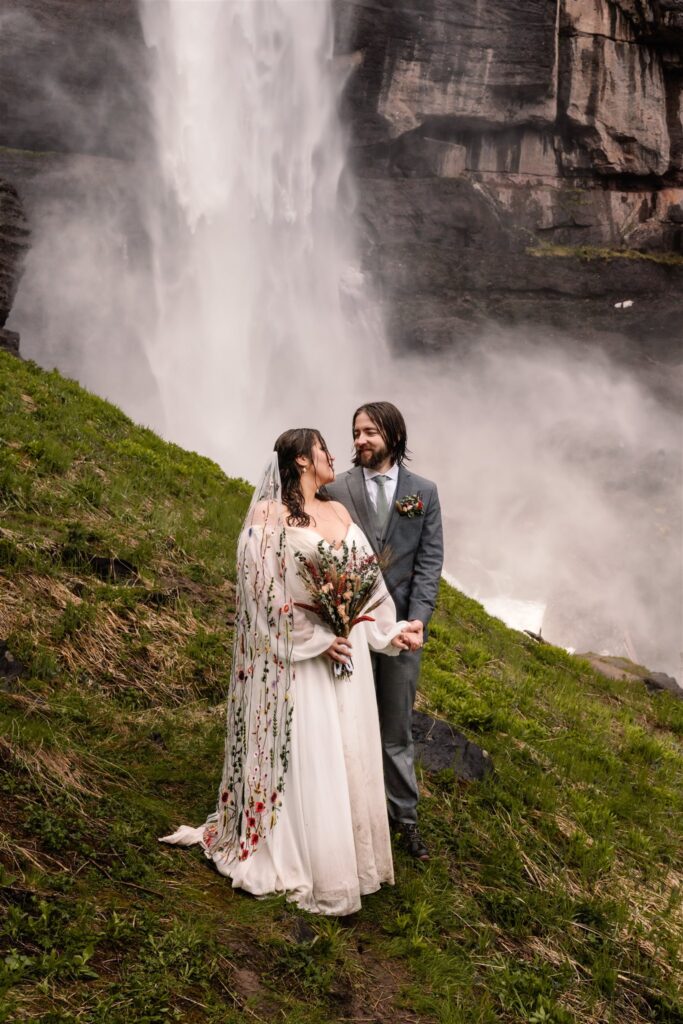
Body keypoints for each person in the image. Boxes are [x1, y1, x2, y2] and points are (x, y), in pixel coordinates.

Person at [160, 428, 422, 916]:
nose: (332, 456)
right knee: (312, 755)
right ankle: (304, 858)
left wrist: (391, 632)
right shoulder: (267, 517)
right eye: (324, 450)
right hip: (302, 661)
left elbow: (368, 583)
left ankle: (350, 858)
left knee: (346, 752)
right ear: (302, 460)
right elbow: (261, 597)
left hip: (350, 655)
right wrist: (317, 640)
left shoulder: (340, 512)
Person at [325, 402, 443, 861]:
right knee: (347, 726)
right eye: (356, 432)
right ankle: (348, 820)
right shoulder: (336, 488)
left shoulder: (424, 493)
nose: (359, 440)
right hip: (350, 629)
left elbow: (429, 564)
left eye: (369, 431)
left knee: (396, 731)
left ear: (393, 435)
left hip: (401, 633)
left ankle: (405, 822)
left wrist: (417, 621)